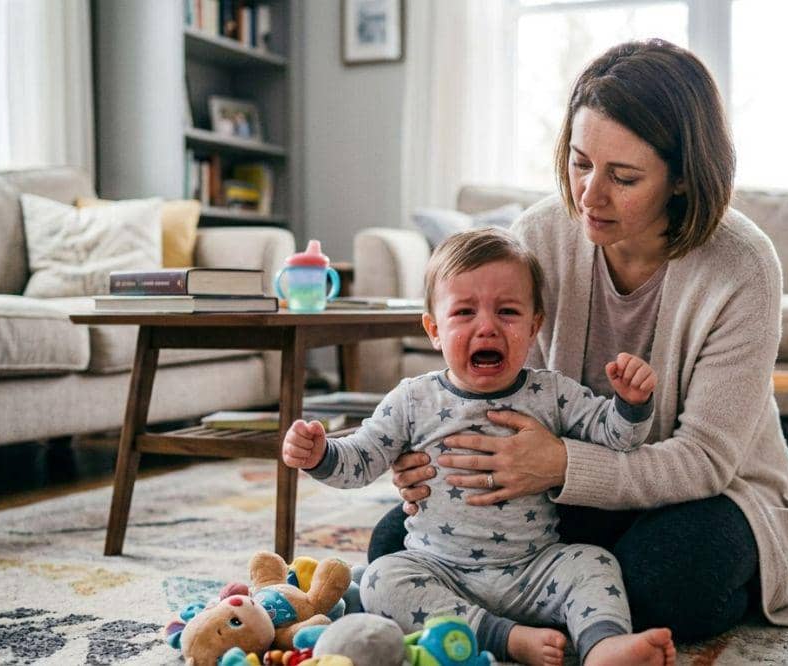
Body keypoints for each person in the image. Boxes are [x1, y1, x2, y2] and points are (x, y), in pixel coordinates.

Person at [371, 38, 788, 643]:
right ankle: (523, 626)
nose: (589, 196)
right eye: (580, 163)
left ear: (682, 179)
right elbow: (497, 397)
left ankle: (545, 607)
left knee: (666, 583)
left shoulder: (744, 267)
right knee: (392, 543)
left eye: (623, 177)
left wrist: (561, 463)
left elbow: (705, 460)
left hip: (713, 491)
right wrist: (433, 462)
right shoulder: (541, 237)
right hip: (556, 494)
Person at [283, 228, 676, 666]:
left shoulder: (553, 393)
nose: (486, 326)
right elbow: (360, 460)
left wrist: (631, 403)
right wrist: (319, 454)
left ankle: (603, 646)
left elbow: (617, 437)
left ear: (534, 327)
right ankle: (505, 638)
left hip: (534, 567)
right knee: (380, 578)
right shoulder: (413, 399)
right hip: (439, 570)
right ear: (434, 329)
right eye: (465, 312)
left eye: (507, 312)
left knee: (593, 564)